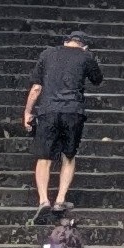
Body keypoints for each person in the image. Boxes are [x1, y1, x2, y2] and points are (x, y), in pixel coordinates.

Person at [23, 32, 104, 218]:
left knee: (44, 157)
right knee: (68, 156)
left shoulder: (47, 54)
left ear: (66, 41)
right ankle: (60, 200)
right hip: (73, 111)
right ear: (84, 45)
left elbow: (36, 88)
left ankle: (43, 200)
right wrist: (87, 55)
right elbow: (97, 79)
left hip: (48, 110)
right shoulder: (86, 56)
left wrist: (27, 112)